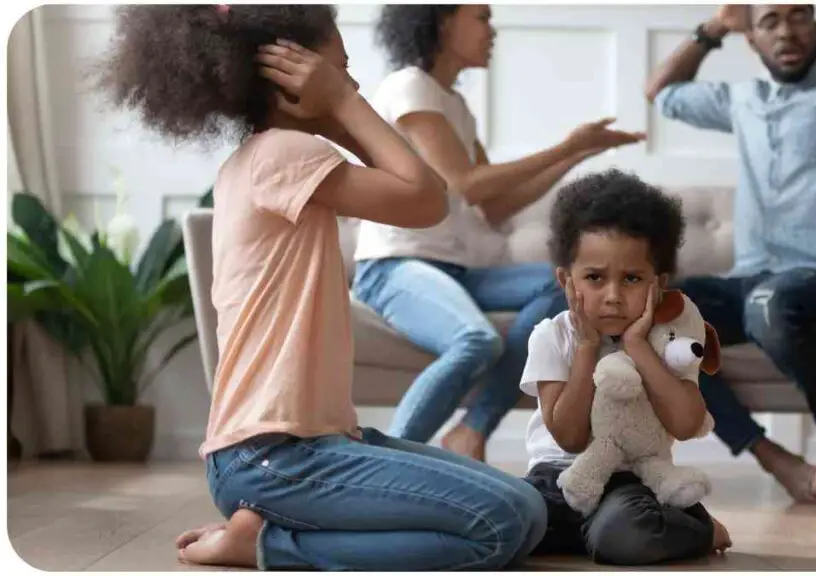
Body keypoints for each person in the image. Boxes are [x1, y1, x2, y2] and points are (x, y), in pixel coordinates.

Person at [98, 5, 547, 570]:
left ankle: (272, 524)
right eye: (339, 70)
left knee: (527, 507)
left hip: (302, 449)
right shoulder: (286, 154)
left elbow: (419, 192)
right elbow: (427, 200)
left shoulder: (265, 158)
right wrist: (343, 105)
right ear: (287, 80)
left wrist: (335, 106)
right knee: (497, 527)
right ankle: (269, 544)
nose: (351, 83)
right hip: (277, 456)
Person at [353, 4, 646, 461]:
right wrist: (566, 144)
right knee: (475, 340)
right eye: (482, 18)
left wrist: (577, 154)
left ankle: (471, 429)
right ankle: (377, 460)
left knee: (568, 289)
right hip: (394, 264)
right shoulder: (410, 86)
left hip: (458, 269)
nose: (492, 31)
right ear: (443, 21)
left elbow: (494, 204)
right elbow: (464, 181)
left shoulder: (453, 104)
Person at [646, 3, 816, 504]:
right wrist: (718, 25)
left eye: (798, 16)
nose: (786, 31)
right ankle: (769, 454)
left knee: (768, 304)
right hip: (754, 279)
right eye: (769, 21)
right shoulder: (744, 98)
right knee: (648, 317)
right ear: (753, 39)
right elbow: (660, 92)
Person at [520, 169, 732, 565]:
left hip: (629, 482)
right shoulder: (552, 336)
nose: (613, 296)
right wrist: (586, 347)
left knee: (627, 533)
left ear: (658, 283)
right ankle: (588, 534)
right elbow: (567, 437)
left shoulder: (668, 342)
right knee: (502, 518)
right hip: (555, 479)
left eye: (632, 278)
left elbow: (687, 425)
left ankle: (698, 530)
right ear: (567, 280)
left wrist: (637, 346)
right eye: (595, 278)